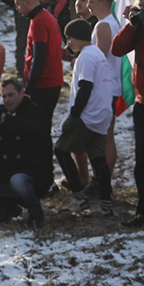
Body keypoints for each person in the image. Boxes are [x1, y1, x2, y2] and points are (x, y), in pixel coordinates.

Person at [0, 78, 54, 229]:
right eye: (4, 96)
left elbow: (29, 129)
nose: (7, 100)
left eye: (11, 95)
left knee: (18, 180)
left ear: (22, 93)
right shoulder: (5, 114)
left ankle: (35, 213)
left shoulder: (34, 111)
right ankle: (8, 208)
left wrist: (2, 116)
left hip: (35, 174)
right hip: (8, 173)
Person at [57, 19, 115, 216]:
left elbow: (86, 86)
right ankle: (106, 205)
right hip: (103, 114)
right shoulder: (98, 54)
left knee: (61, 150)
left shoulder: (86, 57)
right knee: (98, 159)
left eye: (69, 38)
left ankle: (79, 197)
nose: (68, 43)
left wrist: (74, 113)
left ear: (80, 37)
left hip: (87, 115)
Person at [112, 0, 144, 227]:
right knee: (141, 162)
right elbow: (117, 48)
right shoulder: (139, 24)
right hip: (142, 101)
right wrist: (133, 25)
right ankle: (142, 212)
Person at [16, 0, 65, 120]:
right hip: (52, 83)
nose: (17, 8)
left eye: (18, 3)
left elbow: (39, 58)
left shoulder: (39, 21)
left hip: (44, 85)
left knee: (38, 130)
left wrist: (29, 90)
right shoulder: (47, 16)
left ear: (28, 2)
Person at [92, 0, 122, 175]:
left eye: (91, 1)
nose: (88, 5)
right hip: (110, 86)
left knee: (104, 137)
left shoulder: (104, 26)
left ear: (103, 2)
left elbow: (98, 60)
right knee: (106, 135)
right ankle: (102, 179)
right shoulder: (112, 23)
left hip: (104, 88)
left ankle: (102, 180)